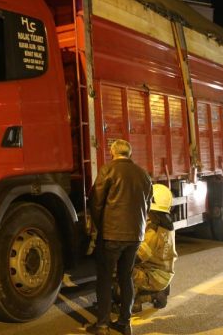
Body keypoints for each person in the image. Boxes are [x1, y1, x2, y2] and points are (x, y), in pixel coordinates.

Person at [89, 139, 152, 335]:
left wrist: (100, 227)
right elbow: (148, 204)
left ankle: (102, 325)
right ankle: (125, 323)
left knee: (105, 278)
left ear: (112, 152)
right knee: (126, 277)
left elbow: (96, 202)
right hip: (135, 235)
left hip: (112, 234)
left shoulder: (107, 170)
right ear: (129, 153)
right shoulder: (143, 174)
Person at [130, 183, 177, 312]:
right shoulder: (167, 226)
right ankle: (160, 289)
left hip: (155, 276)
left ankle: (139, 300)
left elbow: (136, 258)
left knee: (123, 271)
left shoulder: (153, 233)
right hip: (165, 273)